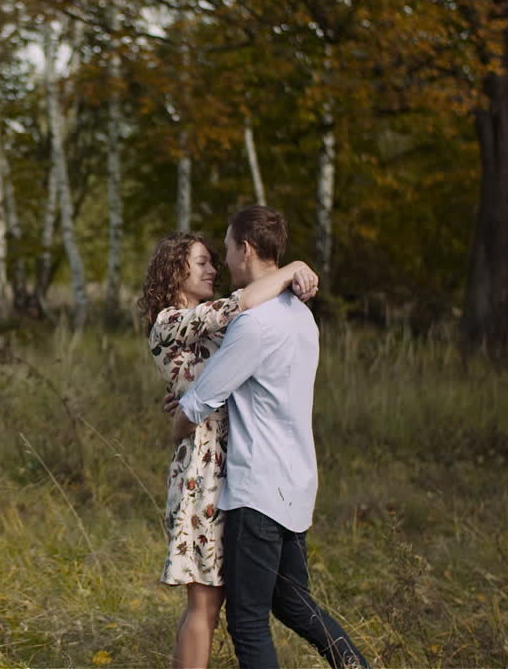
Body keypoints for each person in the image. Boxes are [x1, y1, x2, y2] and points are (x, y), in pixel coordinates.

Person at [174, 206, 370, 669]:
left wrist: (176, 419)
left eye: (226, 250)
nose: (225, 262)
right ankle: (355, 665)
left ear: (245, 249)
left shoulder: (255, 325)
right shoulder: (301, 317)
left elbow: (200, 403)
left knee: (247, 621)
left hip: (257, 492)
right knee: (292, 602)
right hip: (296, 485)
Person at [139, 230, 318, 669]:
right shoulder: (170, 320)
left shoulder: (204, 324)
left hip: (235, 470)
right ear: (174, 269)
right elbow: (240, 304)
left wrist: (186, 394)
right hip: (203, 473)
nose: (213, 270)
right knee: (204, 605)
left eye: (214, 261)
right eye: (201, 262)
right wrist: (292, 268)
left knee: (216, 605)